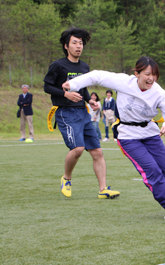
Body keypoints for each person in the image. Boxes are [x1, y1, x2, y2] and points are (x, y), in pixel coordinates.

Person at [63, 56, 165, 221]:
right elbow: (97, 76)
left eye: (154, 74)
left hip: (150, 134)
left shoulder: (158, 92)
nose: (151, 78)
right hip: (128, 137)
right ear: (137, 73)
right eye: (147, 74)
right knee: (153, 171)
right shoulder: (123, 82)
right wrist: (74, 84)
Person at [43, 27, 119, 199]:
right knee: (77, 149)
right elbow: (47, 86)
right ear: (66, 46)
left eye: (81, 43)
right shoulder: (58, 65)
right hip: (65, 113)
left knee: (97, 152)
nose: (79, 46)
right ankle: (66, 179)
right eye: (75, 43)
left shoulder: (84, 67)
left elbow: (83, 88)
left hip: (83, 113)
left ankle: (103, 189)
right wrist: (65, 94)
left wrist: (89, 101)